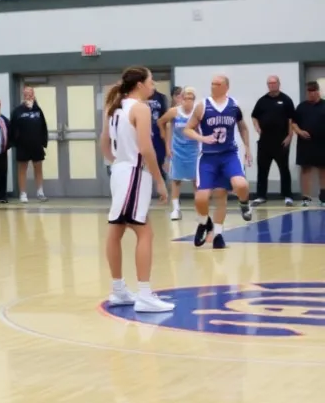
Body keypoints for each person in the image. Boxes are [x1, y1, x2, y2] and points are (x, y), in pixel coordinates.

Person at [100, 67, 173, 312]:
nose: (153, 86)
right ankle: (144, 295)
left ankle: (119, 291)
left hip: (120, 171)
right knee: (145, 233)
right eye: (151, 81)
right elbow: (146, 148)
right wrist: (160, 180)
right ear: (140, 84)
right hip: (134, 173)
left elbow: (103, 141)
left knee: (115, 231)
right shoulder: (139, 108)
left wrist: (117, 160)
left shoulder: (114, 108)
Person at [184, 74, 253, 249]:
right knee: (201, 198)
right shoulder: (202, 106)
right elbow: (187, 129)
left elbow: (243, 127)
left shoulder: (234, 105)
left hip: (229, 155)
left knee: (240, 186)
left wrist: (247, 148)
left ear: (226, 86)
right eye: (212, 83)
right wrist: (202, 138)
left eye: (217, 83)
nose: (213, 86)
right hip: (208, 157)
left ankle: (220, 233)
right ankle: (203, 222)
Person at [250, 75, 295, 207]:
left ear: (279, 84)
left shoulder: (286, 100)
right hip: (264, 141)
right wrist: (257, 127)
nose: (272, 85)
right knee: (262, 169)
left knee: (284, 169)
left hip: (281, 141)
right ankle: (261, 196)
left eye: (274, 83)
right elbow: (254, 116)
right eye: (269, 83)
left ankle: (287, 195)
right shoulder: (262, 101)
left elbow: (291, 120)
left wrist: (289, 136)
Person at [158, 86, 199, 221]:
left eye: (191, 98)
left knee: (196, 181)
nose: (188, 100)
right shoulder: (174, 111)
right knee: (176, 180)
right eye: (185, 97)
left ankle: (200, 209)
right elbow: (161, 122)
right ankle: (176, 209)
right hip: (178, 149)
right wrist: (166, 143)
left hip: (194, 149)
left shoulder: (198, 112)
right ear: (181, 98)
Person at [10, 87, 49, 203]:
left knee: (38, 168)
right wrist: (14, 142)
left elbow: (43, 127)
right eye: (26, 94)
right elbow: (12, 128)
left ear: (33, 95)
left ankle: (40, 192)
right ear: (23, 95)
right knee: (22, 169)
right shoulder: (17, 111)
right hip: (23, 145)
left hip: (36, 145)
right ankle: (23, 194)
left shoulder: (38, 110)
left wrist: (43, 142)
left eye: (30, 94)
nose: (29, 96)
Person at [293, 80, 325, 205]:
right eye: (309, 91)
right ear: (307, 92)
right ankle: (306, 198)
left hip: (322, 143)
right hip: (305, 143)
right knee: (305, 169)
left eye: (314, 91)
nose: (312, 94)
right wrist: (299, 132)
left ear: (318, 91)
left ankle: (323, 197)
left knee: (323, 169)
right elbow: (293, 123)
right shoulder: (301, 107)